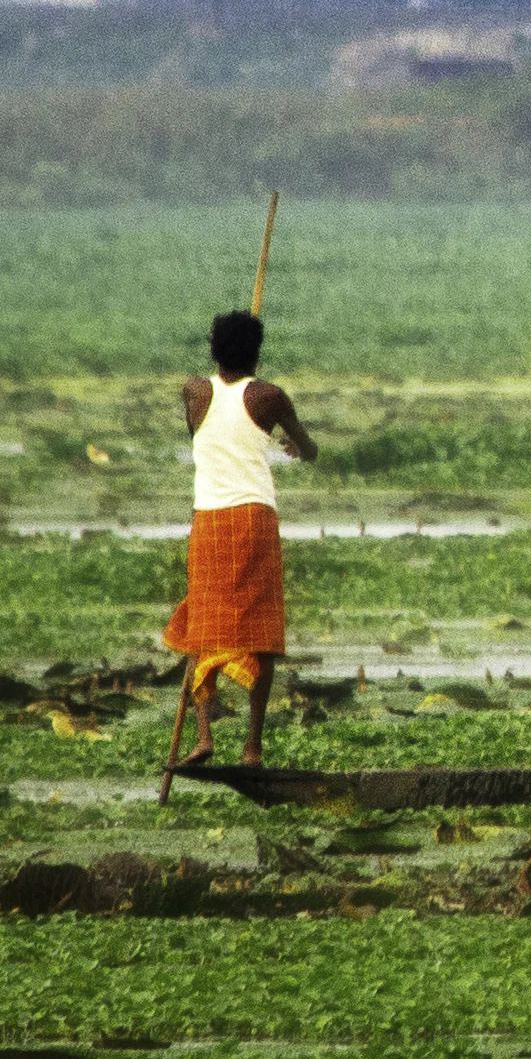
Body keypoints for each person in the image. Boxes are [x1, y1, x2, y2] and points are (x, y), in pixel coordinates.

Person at [162, 309, 314, 774]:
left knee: (202, 623)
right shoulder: (268, 396)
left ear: (213, 349)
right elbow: (308, 450)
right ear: (257, 352)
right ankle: (251, 747)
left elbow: (202, 436)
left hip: (208, 520)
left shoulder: (194, 391)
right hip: (252, 519)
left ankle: (205, 734)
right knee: (259, 631)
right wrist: (290, 445)